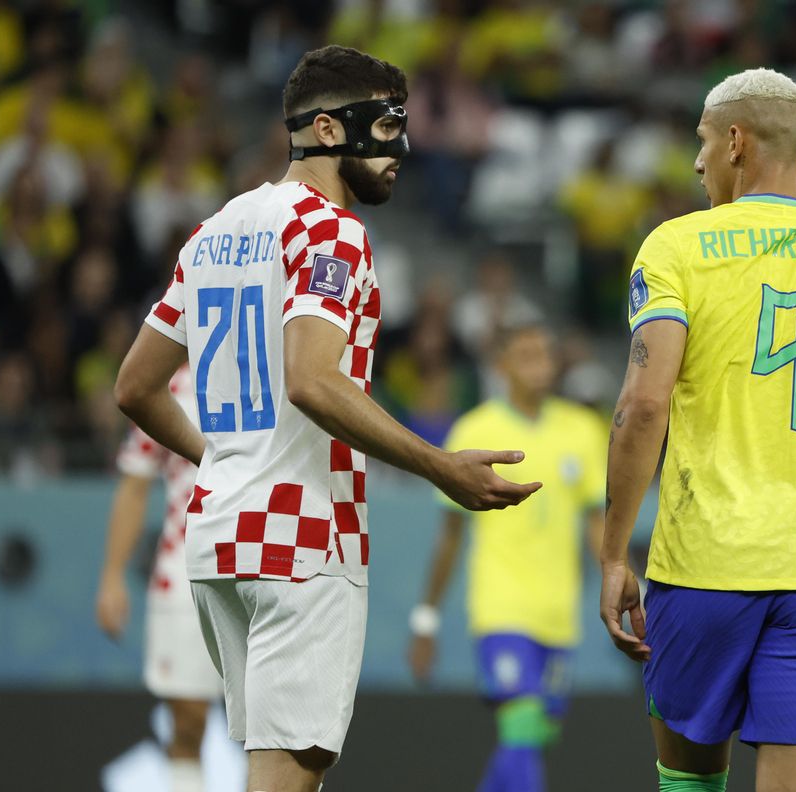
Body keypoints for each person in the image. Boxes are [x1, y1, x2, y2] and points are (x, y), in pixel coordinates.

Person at [114, 45, 541, 792]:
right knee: (290, 774)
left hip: (220, 541)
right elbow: (312, 381)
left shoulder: (216, 229)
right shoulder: (332, 231)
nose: (401, 147)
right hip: (302, 540)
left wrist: (217, 459)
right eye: (384, 125)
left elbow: (135, 386)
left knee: (267, 769)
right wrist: (441, 466)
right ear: (326, 130)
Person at [598, 68, 796, 792]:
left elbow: (643, 406)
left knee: (689, 787)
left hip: (699, 568)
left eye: (704, 142)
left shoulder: (675, 247)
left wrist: (614, 551)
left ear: (737, 142)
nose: (697, 161)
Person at [407, 324, 605, 792]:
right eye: (526, 355)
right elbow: (450, 537)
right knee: (519, 730)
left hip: (559, 614)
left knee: (535, 736)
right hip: (500, 609)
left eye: (545, 353)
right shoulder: (476, 431)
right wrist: (426, 622)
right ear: (503, 366)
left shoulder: (582, 430)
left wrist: (622, 586)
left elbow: (596, 526)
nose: (540, 364)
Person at [95, 365, 228, 792]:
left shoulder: (284, 363)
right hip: (184, 569)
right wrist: (112, 576)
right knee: (186, 724)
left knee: (280, 730)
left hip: (271, 563)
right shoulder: (171, 381)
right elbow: (135, 484)